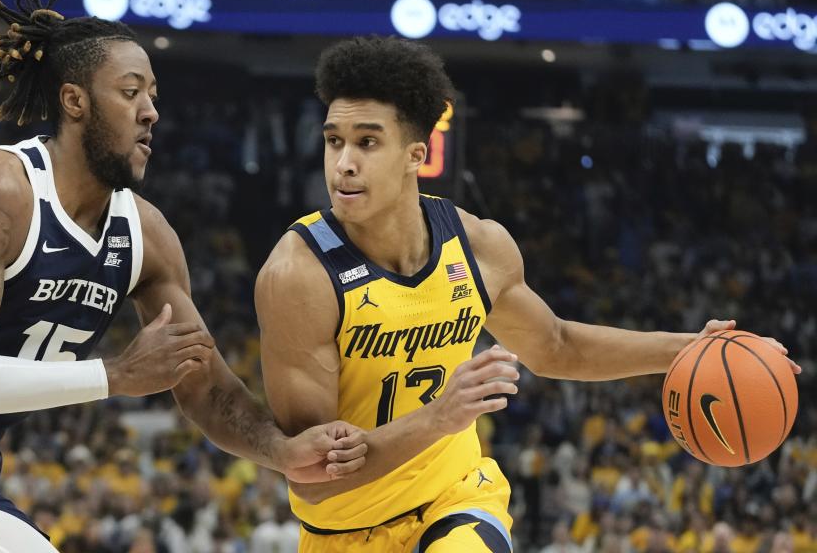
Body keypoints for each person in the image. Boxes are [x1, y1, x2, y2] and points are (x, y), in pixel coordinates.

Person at [0, 0, 366, 553]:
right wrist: (116, 376)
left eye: (153, 94)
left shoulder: (146, 237)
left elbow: (199, 380)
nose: (151, 111)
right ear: (75, 102)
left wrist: (278, 451)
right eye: (130, 93)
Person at [254, 36, 801, 552]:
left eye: (367, 141)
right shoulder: (298, 275)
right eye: (334, 141)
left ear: (416, 155)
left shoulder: (478, 247)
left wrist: (692, 351)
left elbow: (557, 347)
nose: (343, 162)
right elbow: (318, 475)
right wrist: (439, 419)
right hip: (345, 528)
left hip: (457, 498)